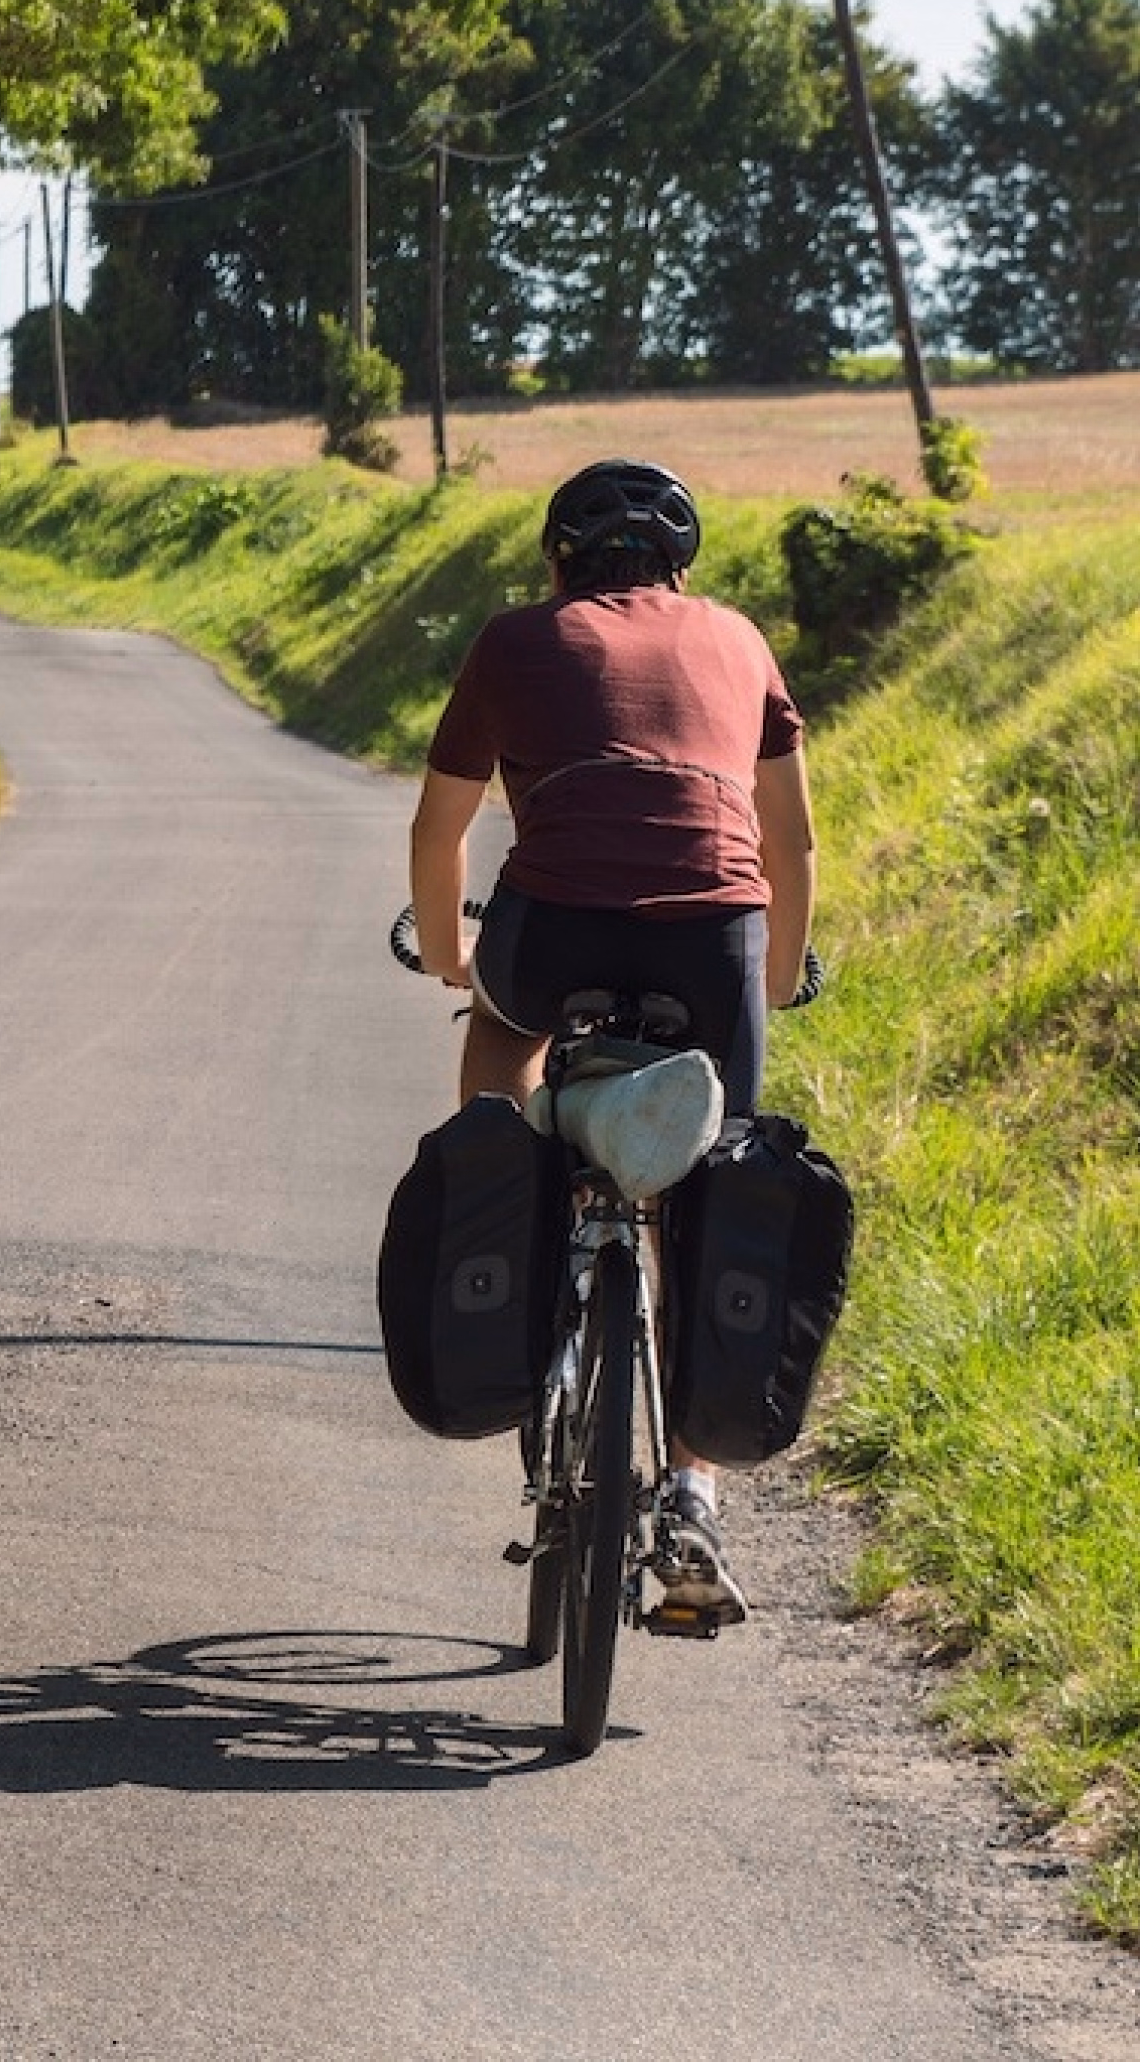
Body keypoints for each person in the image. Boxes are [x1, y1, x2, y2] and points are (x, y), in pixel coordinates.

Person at [407, 457, 816, 1626]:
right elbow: (789, 847)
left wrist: (451, 957)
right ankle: (692, 1494)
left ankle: (511, 1207)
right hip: (714, 942)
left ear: (557, 562)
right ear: (685, 570)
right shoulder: (738, 639)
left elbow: (442, 831)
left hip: (554, 934)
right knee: (716, 1181)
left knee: (501, 1036)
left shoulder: (514, 639)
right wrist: (774, 982)